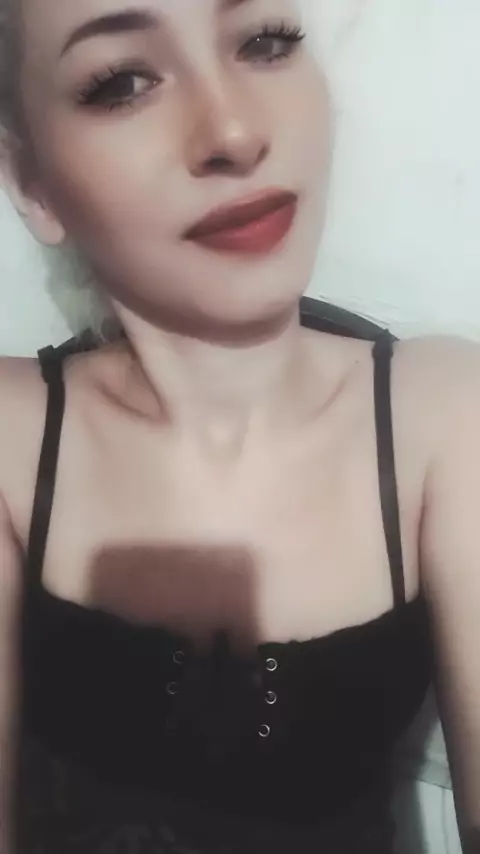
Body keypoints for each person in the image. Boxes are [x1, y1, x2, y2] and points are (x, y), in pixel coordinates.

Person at [0, 0, 480, 851]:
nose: (232, 131)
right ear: (33, 182)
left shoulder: (444, 412)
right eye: (121, 82)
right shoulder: (11, 436)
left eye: (265, 40)